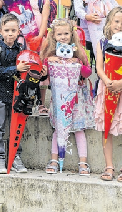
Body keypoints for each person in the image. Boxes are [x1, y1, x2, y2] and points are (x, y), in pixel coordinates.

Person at [0, 13, 42, 174]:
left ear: (18, 31)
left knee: (16, 126)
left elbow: (30, 72)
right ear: (1, 31)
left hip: (17, 96)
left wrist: (40, 71)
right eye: (7, 30)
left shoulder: (22, 51)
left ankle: (15, 156)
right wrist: (15, 69)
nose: (10, 33)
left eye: (13, 30)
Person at [40, 19, 94, 175]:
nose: (63, 37)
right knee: (58, 128)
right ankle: (54, 160)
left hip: (76, 99)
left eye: (66, 33)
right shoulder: (50, 53)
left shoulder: (78, 51)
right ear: (54, 36)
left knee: (78, 130)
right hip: (59, 100)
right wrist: (47, 61)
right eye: (59, 34)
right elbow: (43, 74)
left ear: (72, 33)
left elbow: (87, 72)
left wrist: (77, 62)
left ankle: (83, 163)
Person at [94, 7, 122, 182]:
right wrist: (107, 82)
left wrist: (120, 83)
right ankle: (109, 166)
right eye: (116, 21)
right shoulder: (102, 42)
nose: (119, 25)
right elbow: (99, 67)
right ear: (110, 23)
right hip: (107, 89)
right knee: (107, 128)